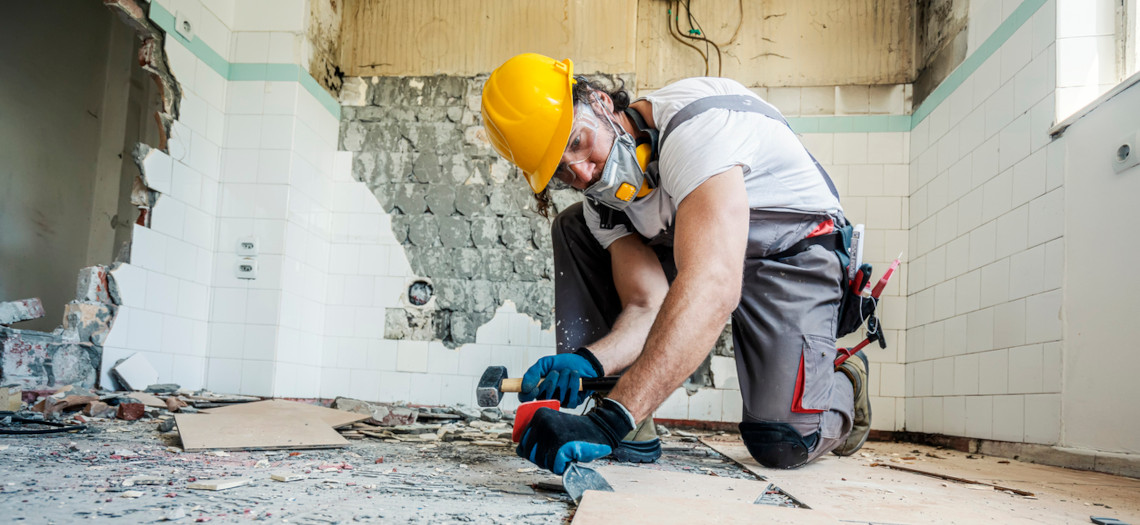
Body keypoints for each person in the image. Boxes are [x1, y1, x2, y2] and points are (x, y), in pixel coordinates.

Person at [480, 53, 871, 475]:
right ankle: (628, 416)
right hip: (705, 246)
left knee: (784, 442)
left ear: (599, 101)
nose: (583, 172)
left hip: (792, 252)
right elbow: (647, 304)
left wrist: (609, 423)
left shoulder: (694, 130)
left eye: (576, 142)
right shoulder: (603, 207)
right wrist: (589, 362)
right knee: (575, 225)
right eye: (560, 171)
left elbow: (713, 284)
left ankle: (844, 379)